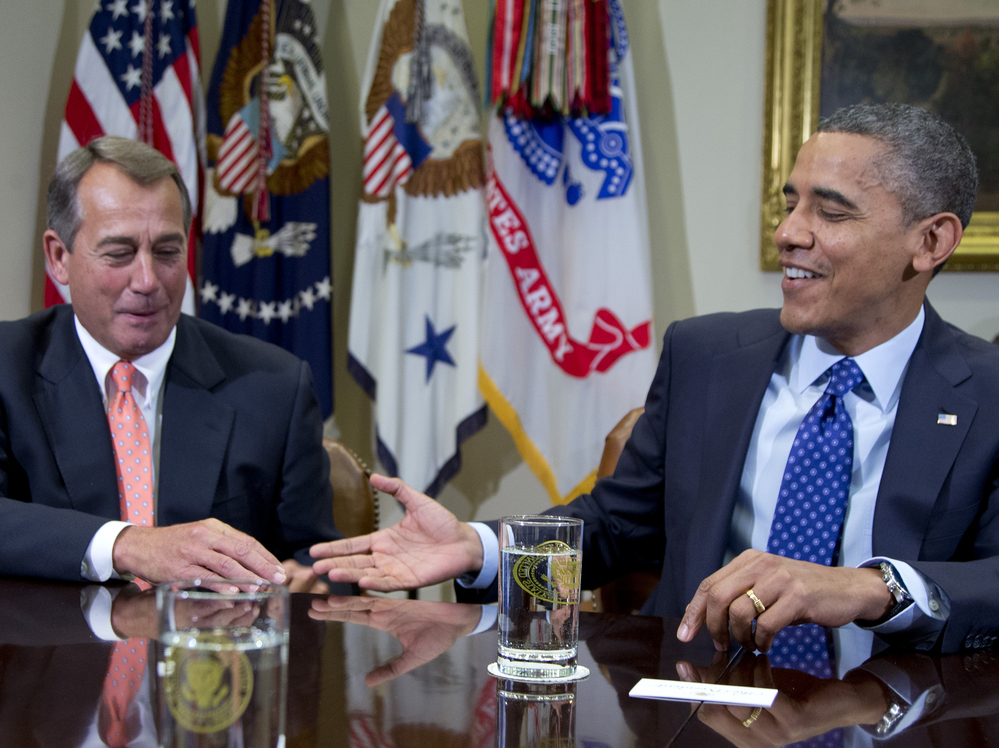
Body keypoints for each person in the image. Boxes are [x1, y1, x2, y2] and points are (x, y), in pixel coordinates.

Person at [311, 103, 999, 654]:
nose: (789, 231)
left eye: (830, 211)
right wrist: (481, 547)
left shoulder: (986, 393)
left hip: (893, 717)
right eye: (790, 203)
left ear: (929, 242)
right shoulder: (707, 354)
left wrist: (872, 589)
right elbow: (616, 528)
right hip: (696, 706)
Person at [0, 136, 341, 592]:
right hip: (49, 657)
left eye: (167, 252)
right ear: (59, 257)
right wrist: (130, 545)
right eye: (119, 253)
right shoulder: (8, 367)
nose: (147, 281)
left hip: (212, 658)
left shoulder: (274, 386)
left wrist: (310, 586)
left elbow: (320, 566)